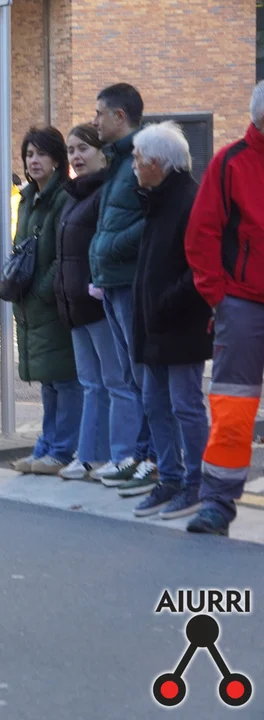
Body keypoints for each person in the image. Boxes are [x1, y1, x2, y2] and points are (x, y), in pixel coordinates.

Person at [184, 81, 264, 536]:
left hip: (239, 301)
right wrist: (220, 297)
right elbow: (202, 234)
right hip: (243, 302)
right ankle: (217, 501)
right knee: (233, 408)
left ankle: (216, 501)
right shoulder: (230, 162)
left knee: (233, 405)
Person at [127, 121, 212, 517]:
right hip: (155, 323)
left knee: (185, 406)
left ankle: (196, 484)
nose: (134, 165)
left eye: (138, 158)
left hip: (181, 324)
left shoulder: (190, 201)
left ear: (157, 163)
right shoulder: (157, 200)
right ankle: (170, 479)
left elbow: (200, 269)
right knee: (155, 404)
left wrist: (163, 303)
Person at [88, 82, 156, 488]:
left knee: (145, 376)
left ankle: (154, 458)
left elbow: (156, 219)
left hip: (130, 282)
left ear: (119, 116)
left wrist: (110, 246)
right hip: (112, 282)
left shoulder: (142, 157)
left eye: (99, 113)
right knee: (132, 377)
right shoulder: (117, 160)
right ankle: (141, 455)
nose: (94, 120)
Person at [52, 123, 128, 482]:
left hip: (99, 303)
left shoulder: (107, 193)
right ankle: (90, 455)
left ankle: (122, 455)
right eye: (71, 150)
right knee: (92, 384)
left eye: (83, 148)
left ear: (102, 153)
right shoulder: (74, 195)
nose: (76, 156)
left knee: (116, 382)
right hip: (75, 305)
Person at [8, 127, 81, 476]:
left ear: (57, 159)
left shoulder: (63, 197)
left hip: (52, 302)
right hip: (31, 303)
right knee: (48, 382)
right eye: (29, 154)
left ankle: (62, 449)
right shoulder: (28, 198)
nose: (34, 161)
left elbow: (63, 256)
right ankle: (47, 445)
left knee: (64, 380)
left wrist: (40, 292)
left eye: (42, 154)